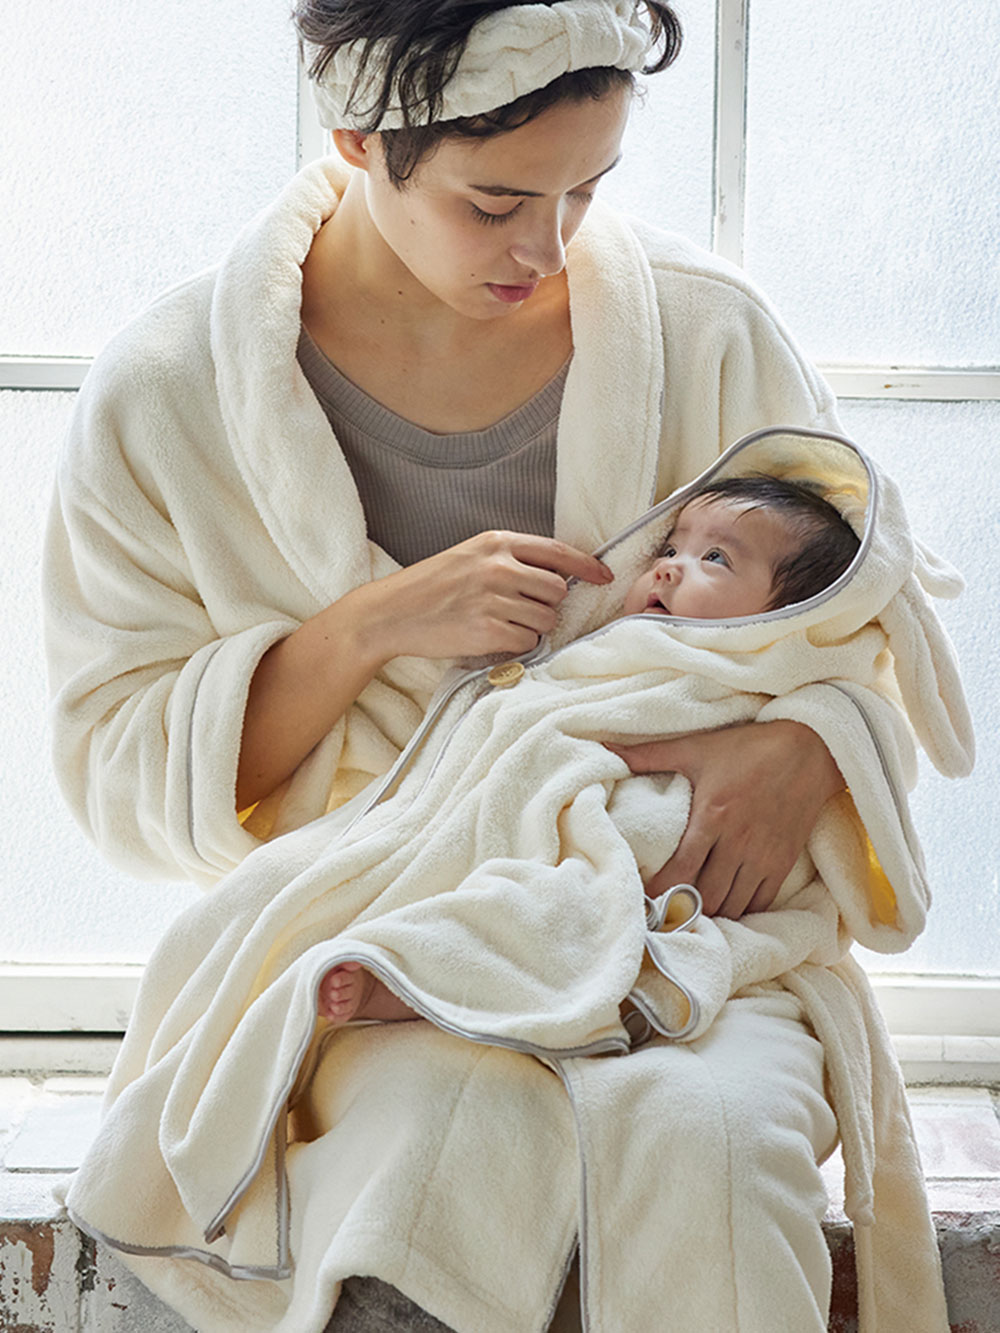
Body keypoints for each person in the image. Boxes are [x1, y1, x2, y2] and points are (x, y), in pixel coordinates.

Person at [42, 2, 963, 1329]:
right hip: (388, 948)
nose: (548, 246)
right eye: (497, 202)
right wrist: (372, 626)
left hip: (692, 939)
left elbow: (864, 623)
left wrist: (807, 748)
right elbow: (121, 764)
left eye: (588, 190)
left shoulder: (710, 338)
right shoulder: (167, 395)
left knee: (711, 1151)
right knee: (423, 1173)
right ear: (357, 136)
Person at [318, 472, 861, 1026]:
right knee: (534, 882)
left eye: (716, 559)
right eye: (671, 548)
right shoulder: (612, 649)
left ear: (789, 614)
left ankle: (415, 982)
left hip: (671, 823)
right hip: (579, 801)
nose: (669, 566)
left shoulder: (752, 675)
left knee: (571, 898)